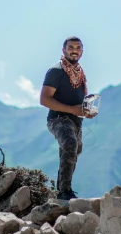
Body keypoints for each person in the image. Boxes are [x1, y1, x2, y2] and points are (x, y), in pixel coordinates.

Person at [40, 36, 95, 200]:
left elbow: (77, 101)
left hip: (76, 121)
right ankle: (64, 192)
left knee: (74, 149)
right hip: (57, 119)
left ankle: (62, 190)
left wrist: (86, 111)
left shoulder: (80, 74)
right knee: (70, 144)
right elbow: (44, 99)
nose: (74, 51)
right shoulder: (56, 71)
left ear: (82, 52)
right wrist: (72, 109)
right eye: (71, 47)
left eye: (78, 48)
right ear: (63, 50)